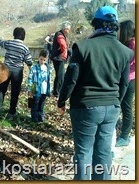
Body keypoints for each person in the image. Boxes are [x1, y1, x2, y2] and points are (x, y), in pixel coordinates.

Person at [57, 6, 133, 180]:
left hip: (85, 107)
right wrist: (116, 102)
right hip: (111, 107)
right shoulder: (126, 52)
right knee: (104, 152)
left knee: (84, 152)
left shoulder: (83, 47)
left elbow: (71, 79)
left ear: (95, 24)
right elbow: (124, 83)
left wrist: (62, 101)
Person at [0, 27, 33, 120]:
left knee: (2, 89)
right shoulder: (24, 47)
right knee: (15, 92)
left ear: (14, 34)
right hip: (17, 71)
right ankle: (12, 112)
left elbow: (0, 42)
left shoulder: (9, 43)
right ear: (23, 36)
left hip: (6, 69)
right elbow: (29, 61)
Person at [115, 20, 135, 147]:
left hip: (130, 79)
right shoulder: (128, 43)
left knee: (126, 107)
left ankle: (125, 136)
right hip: (124, 78)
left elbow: (128, 62)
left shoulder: (133, 44)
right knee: (121, 105)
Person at [27, 49, 52, 122]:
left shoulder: (48, 69)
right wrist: (30, 90)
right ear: (38, 58)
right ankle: (34, 117)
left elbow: (49, 80)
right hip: (36, 89)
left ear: (47, 59)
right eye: (41, 59)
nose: (42, 61)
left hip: (44, 90)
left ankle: (40, 115)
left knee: (42, 104)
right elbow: (30, 79)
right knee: (35, 103)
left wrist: (49, 90)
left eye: (44, 60)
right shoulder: (34, 68)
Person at [50, 21, 71, 101]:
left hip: (57, 58)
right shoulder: (60, 35)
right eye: (68, 29)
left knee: (59, 76)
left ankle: (56, 91)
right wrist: (65, 54)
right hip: (59, 58)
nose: (69, 31)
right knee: (60, 76)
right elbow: (63, 45)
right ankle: (56, 93)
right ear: (65, 29)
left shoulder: (60, 34)